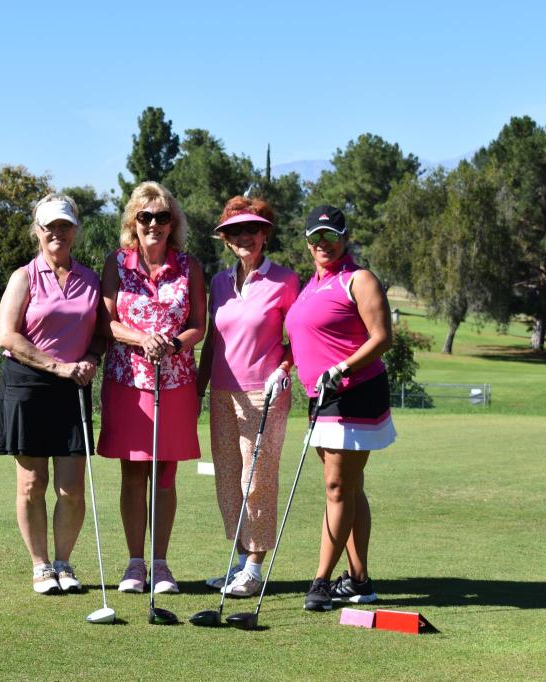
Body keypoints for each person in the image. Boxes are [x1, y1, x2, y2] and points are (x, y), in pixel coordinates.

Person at [0, 193, 102, 595]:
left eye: (65, 225)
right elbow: (7, 335)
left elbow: (101, 335)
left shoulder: (90, 279)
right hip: (28, 386)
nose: (58, 233)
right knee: (32, 484)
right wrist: (57, 366)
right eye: (50, 226)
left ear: (75, 231)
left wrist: (89, 359)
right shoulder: (24, 276)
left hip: (72, 388)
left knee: (70, 490)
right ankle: (40, 566)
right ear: (37, 231)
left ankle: (64, 563)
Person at [285, 204, 396, 612]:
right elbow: (304, 339)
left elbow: (382, 337)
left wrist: (343, 367)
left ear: (344, 237)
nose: (322, 244)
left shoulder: (359, 279)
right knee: (349, 487)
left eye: (329, 236)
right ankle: (360, 580)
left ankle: (320, 581)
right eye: (315, 237)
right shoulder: (310, 286)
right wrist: (286, 365)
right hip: (322, 396)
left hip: (355, 391)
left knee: (336, 487)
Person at [98, 181, 206, 594]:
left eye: (163, 217)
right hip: (128, 381)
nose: (154, 224)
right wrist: (141, 339)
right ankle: (134, 564)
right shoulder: (117, 264)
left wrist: (174, 343)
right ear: (133, 222)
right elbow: (107, 323)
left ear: (173, 223)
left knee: (165, 474)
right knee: (132, 473)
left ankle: (161, 566)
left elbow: (198, 323)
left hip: (175, 382)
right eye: (146, 217)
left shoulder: (190, 266)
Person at [195, 196, 299, 597]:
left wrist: (283, 368)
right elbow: (212, 343)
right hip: (222, 394)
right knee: (228, 481)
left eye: (252, 229)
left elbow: (298, 338)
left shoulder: (285, 281)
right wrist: (198, 391)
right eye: (235, 230)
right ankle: (239, 562)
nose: (245, 237)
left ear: (265, 234)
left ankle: (255, 567)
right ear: (225, 239)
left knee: (256, 479)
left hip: (264, 394)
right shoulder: (220, 283)